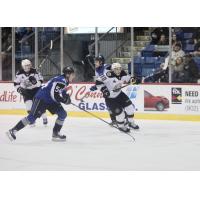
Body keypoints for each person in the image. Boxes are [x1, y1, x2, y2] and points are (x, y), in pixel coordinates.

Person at [6, 66, 75, 142]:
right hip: (42, 98)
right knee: (32, 117)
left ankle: (56, 133)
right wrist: (64, 101)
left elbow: (61, 90)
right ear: (68, 74)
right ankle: (13, 130)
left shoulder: (64, 80)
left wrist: (66, 97)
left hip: (50, 100)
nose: (74, 76)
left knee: (62, 114)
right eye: (72, 74)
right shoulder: (61, 81)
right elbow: (54, 94)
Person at [95, 62, 139, 133]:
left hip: (120, 94)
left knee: (130, 108)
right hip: (110, 99)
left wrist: (134, 80)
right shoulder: (107, 75)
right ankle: (121, 126)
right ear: (112, 70)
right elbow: (98, 82)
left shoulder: (123, 73)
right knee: (120, 114)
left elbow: (129, 79)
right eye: (116, 69)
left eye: (119, 69)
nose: (118, 71)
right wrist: (104, 90)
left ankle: (130, 123)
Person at [14, 59, 48, 126]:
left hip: (36, 90)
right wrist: (19, 89)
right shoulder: (19, 73)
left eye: (29, 65)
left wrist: (36, 82)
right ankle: (32, 120)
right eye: (27, 65)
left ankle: (44, 118)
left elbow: (41, 80)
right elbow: (16, 83)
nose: (28, 66)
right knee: (29, 107)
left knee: (39, 106)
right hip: (26, 91)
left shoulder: (35, 71)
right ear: (23, 66)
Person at [90, 55, 117, 126]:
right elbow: (100, 80)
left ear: (101, 62)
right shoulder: (97, 70)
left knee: (117, 104)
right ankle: (114, 120)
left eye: (96, 61)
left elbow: (116, 71)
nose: (95, 63)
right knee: (108, 104)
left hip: (113, 87)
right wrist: (96, 86)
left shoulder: (107, 67)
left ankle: (124, 118)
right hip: (106, 88)